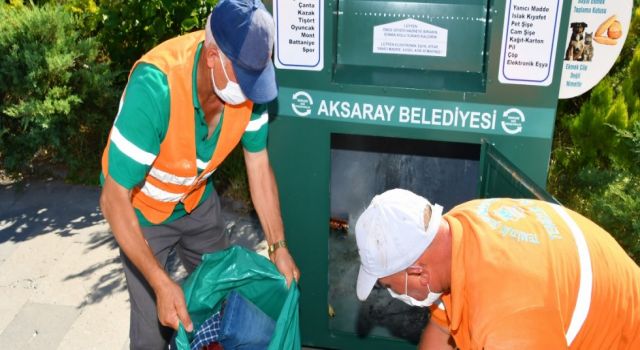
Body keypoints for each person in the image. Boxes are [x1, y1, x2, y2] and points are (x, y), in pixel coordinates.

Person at [99, 0, 300, 348]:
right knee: (153, 330)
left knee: (225, 299)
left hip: (197, 204)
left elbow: (258, 165)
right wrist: (161, 283)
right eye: (245, 77)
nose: (253, 90)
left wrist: (278, 245)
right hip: (142, 214)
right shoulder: (156, 88)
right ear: (212, 57)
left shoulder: (250, 91)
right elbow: (113, 198)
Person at [355, 189, 640, 350]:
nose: (393, 294)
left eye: (391, 286)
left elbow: (510, 324)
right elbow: (440, 333)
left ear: (419, 272)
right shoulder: (456, 230)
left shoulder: (506, 324)